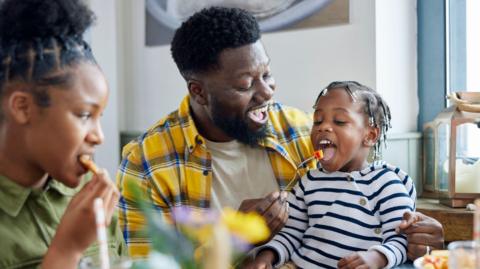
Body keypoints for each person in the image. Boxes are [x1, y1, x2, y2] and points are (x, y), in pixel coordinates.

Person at [116, 6, 444, 260]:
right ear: (199, 92)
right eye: (246, 85)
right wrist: (234, 237)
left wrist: (416, 239)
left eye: (267, 74)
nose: (266, 92)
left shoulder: (304, 131)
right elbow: (147, 263)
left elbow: (370, 205)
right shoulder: (146, 163)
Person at [0, 0, 126, 268]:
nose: (99, 137)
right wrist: (68, 251)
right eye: (84, 115)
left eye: (99, 117)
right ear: (22, 107)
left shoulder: (91, 201)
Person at [247, 81, 415, 269]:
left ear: (370, 136)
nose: (323, 127)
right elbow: (290, 234)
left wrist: (377, 258)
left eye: (339, 121)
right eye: (317, 121)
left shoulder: (387, 184)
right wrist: (265, 257)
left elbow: (401, 241)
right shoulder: (308, 183)